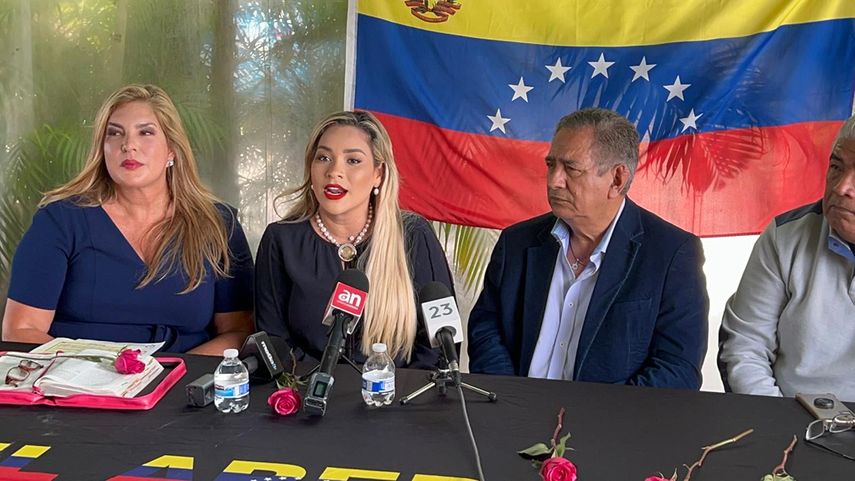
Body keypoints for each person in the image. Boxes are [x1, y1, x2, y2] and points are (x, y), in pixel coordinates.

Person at [1, 84, 254, 354]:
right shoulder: (60, 220)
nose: (128, 145)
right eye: (115, 133)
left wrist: (173, 376)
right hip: (77, 384)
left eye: (145, 132)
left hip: (183, 383)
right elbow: (20, 330)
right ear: (102, 148)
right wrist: (106, 371)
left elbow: (238, 331)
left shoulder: (217, 223)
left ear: (172, 150)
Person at [467, 108, 709, 388]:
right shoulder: (516, 242)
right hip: (514, 417)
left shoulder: (671, 254)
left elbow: (677, 368)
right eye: (551, 165)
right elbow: (486, 330)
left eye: (571, 168)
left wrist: (596, 420)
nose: (554, 180)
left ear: (617, 179)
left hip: (610, 426)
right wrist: (511, 400)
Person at [255, 110, 453, 369]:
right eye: (323, 157)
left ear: (378, 174)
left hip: (397, 400)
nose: (334, 171)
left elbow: (438, 348)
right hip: (307, 394)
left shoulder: (414, 234)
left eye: (353, 161)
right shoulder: (280, 240)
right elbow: (274, 342)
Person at [719, 115, 855, 400]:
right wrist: (777, 423)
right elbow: (745, 345)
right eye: (836, 167)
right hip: (791, 415)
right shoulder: (786, 235)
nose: (842, 187)